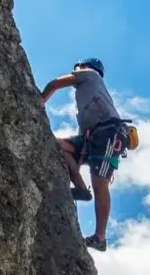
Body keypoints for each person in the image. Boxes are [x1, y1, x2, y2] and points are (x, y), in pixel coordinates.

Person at [40, 58, 127, 252]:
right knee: (59, 147)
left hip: (108, 133)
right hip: (91, 136)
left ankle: (100, 237)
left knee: (100, 183)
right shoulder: (90, 91)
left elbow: (55, 83)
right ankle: (80, 189)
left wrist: (39, 99)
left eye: (75, 69)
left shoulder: (89, 74)